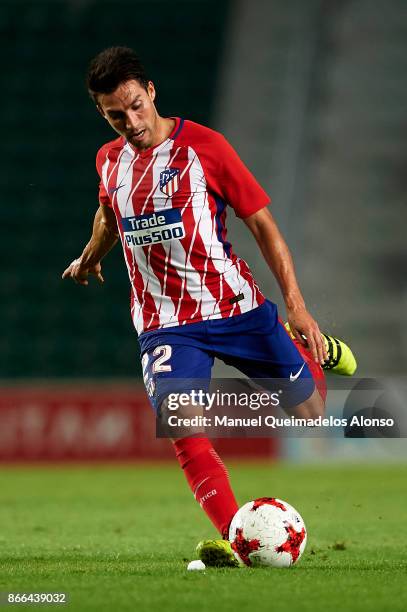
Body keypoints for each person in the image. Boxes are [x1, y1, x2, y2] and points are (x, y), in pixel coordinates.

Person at [62, 47, 356, 567]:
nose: (130, 122)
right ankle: (237, 538)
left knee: (311, 412)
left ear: (151, 92)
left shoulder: (206, 147)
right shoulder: (109, 161)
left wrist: (297, 306)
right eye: (115, 115)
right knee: (182, 422)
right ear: (102, 115)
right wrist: (89, 256)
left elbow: (262, 224)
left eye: (135, 105)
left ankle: (304, 346)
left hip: (235, 308)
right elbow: (108, 213)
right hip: (165, 325)